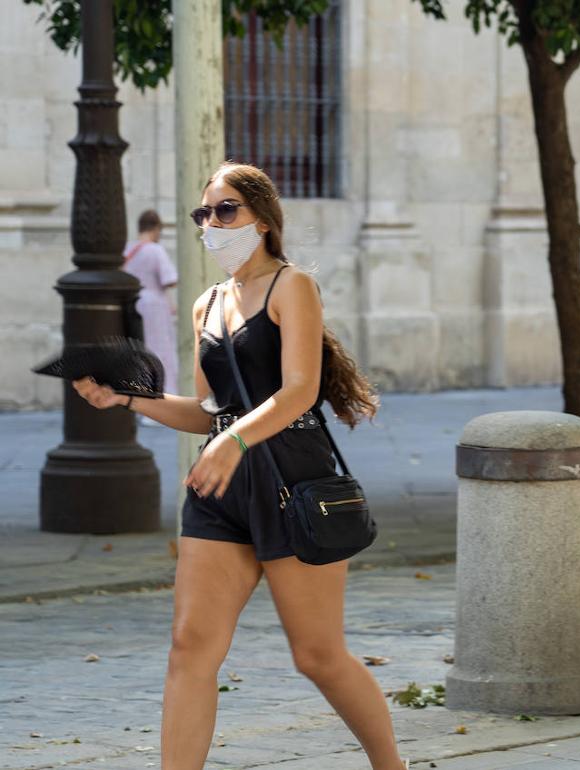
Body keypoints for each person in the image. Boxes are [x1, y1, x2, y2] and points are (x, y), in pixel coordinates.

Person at [73, 163, 406, 770]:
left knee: (316, 654)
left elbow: (300, 390)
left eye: (226, 210)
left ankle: (392, 766)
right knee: (189, 646)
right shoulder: (207, 305)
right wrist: (126, 396)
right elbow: (209, 413)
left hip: (290, 476)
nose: (213, 224)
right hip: (221, 488)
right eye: (205, 214)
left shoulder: (291, 287)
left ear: (264, 220)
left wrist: (234, 442)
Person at [123, 209, 179, 399]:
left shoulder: (128, 250)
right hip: (154, 306)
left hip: (133, 304)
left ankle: (139, 397)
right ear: (156, 229)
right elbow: (169, 279)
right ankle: (162, 397)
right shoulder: (155, 250)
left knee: (139, 352)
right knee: (160, 351)